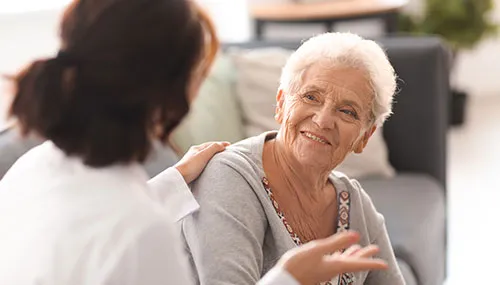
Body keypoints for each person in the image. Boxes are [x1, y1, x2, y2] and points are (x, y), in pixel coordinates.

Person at [0, 1, 389, 285]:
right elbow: (115, 232)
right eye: (199, 71)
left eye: (348, 112)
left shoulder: (32, 169)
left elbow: (90, 225)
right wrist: (287, 278)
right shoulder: (142, 230)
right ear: (174, 92)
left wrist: (171, 184)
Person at [182, 32, 406, 285]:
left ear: (365, 136)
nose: (322, 120)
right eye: (311, 97)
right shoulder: (228, 177)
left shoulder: (354, 203)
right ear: (281, 104)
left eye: (347, 111)